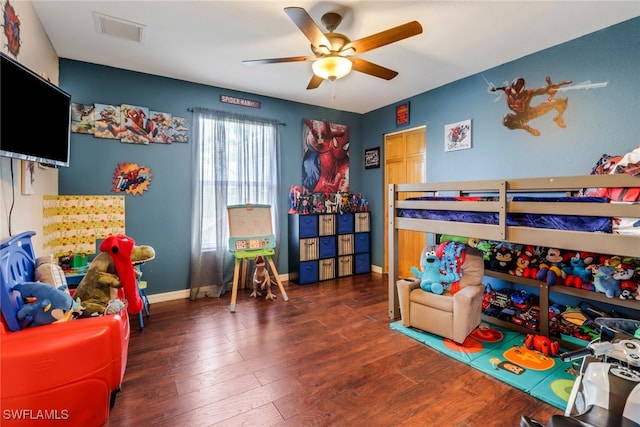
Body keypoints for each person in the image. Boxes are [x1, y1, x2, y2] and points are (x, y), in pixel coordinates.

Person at [491, 76, 571, 136]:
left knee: (561, 102)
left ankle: (559, 118)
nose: (516, 95)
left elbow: (538, 91)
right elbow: (503, 88)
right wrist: (495, 89)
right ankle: (526, 128)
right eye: (514, 92)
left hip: (529, 113)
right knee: (506, 120)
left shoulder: (527, 94)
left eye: (519, 93)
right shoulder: (508, 90)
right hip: (519, 116)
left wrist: (548, 89)